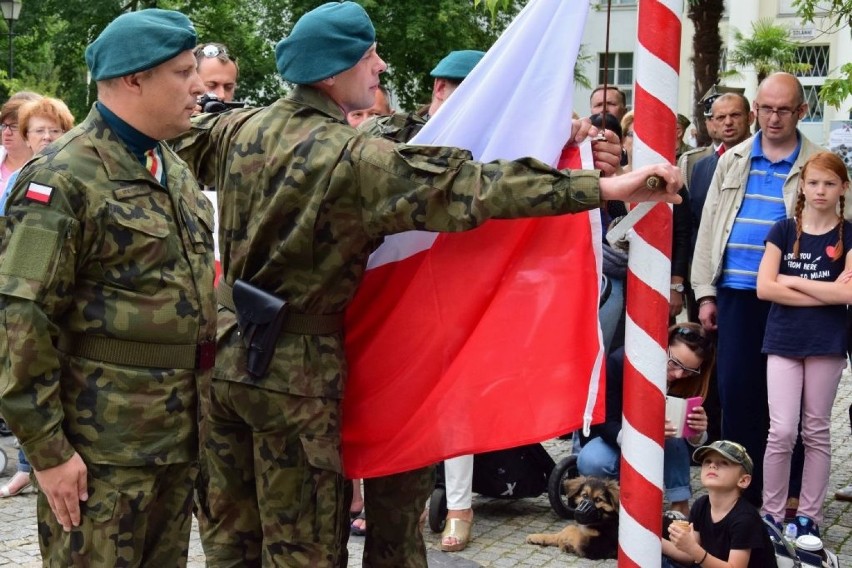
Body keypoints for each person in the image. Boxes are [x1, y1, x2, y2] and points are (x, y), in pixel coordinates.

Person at [169, 3, 682, 566]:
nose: (381, 66)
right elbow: (473, 187)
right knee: (304, 549)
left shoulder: (242, 127)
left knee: (228, 539)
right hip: (296, 372)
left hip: (224, 356)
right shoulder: (354, 156)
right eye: (369, 56)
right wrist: (603, 188)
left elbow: (180, 135)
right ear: (334, 71)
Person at [0, 9, 216, 566]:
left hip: (174, 442)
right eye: (183, 72)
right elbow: (19, 319)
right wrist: (48, 453)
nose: (198, 87)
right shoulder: (59, 178)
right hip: (101, 454)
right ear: (133, 78)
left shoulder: (173, 170)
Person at [691, 71, 834, 506]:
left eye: (784, 110)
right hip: (736, 291)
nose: (773, 118)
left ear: (801, 112)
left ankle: (788, 493)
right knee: (736, 393)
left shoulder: (818, 163)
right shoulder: (731, 159)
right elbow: (710, 226)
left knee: (789, 402)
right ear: (757, 110)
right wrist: (705, 292)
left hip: (796, 298)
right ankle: (737, 490)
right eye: (766, 109)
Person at [756, 151, 852, 538]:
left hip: (826, 342)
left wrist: (791, 282)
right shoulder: (782, 230)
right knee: (781, 431)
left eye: (829, 183)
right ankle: (772, 512)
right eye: (813, 182)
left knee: (816, 430)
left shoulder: (849, 233)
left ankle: (808, 514)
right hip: (783, 339)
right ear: (802, 186)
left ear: (842, 188)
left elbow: (849, 295)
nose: (820, 190)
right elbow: (765, 287)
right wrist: (828, 291)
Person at [577, 323, 712, 515]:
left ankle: (680, 501)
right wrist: (639, 434)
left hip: (668, 443)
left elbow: (688, 437)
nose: (679, 374)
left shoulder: (695, 380)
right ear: (661, 346)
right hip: (620, 436)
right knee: (592, 460)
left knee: (672, 433)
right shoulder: (621, 362)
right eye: (674, 363)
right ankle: (621, 492)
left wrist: (698, 432)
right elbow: (603, 419)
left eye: (689, 370)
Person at [0, 90, 44, 499]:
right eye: (7, 126)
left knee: (23, 365)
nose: (8, 133)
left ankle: (32, 462)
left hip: (23, 294)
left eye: (18, 127)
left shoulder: (48, 179)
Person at [663, 440, 777, 568]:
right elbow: (689, 557)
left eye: (724, 463)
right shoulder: (701, 505)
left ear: (743, 480)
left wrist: (693, 549)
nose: (712, 465)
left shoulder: (745, 518)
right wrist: (656, 541)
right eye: (707, 461)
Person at [0, 96, 75, 211]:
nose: (47, 137)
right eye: (39, 131)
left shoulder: (77, 175)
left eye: (54, 131)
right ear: (26, 138)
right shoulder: (16, 179)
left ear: (66, 135)